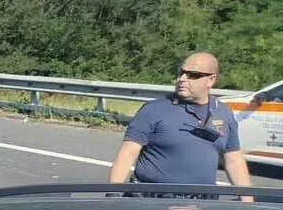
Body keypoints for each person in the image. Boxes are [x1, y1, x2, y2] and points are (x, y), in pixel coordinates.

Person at [108, 52, 253, 201]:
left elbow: (233, 160)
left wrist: (247, 200)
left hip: (202, 205)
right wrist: (113, 194)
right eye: (181, 73)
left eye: (192, 75)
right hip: (153, 202)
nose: (182, 79)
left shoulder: (223, 113)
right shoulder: (154, 109)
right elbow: (128, 153)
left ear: (211, 80)